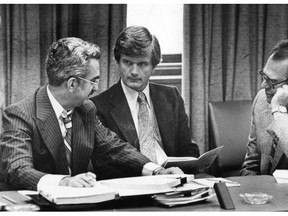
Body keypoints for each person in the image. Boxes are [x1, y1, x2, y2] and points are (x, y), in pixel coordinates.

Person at [0, 37, 183, 191]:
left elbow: (114, 147)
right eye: (93, 82)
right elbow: (17, 169)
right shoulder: (19, 114)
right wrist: (63, 182)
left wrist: (157, 171)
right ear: (72, 84)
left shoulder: (86, 109)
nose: (96, 88)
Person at [91, 26, 200, 179]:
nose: (134, 71)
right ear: (117, 62)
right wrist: (154, 174)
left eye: (142, 64)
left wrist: (186, 169)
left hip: (174, 181)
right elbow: (106, 163)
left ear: (154, 66)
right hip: (132, 186)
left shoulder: (171, 96)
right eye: (127, 62)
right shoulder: (98, 106)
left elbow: (187, 147)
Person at [240, 39, 288, 175]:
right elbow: (251, 164)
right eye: (264, 76)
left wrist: (279, 110)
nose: (263, 85)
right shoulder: (262, 100)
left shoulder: (275, 104)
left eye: (272, 81)